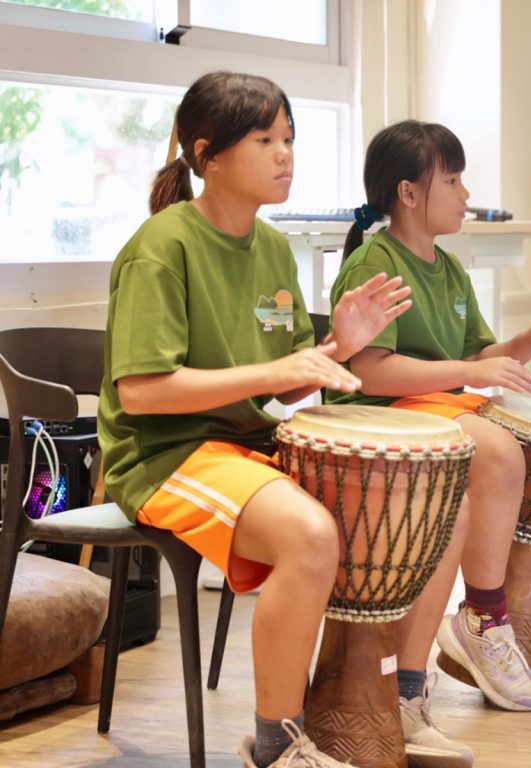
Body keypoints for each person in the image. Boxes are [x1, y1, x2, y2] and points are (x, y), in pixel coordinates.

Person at [97, 71, 411, 768]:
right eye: (264, 139)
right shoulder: (161, 248)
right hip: (165, 457)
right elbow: (142, 393)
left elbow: (286, 384)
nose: (285, 154)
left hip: (245, 445)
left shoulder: (270, 247)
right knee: (310, 535)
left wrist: (340, 348)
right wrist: (278, 373)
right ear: (206, 155)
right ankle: (277, 746)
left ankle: (387, 705)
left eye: (289, 138)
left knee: (381, 504)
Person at [327, 119, 531, 737]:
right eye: (452, 181)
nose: (465, 193)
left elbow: (478, 357)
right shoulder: (376, 262)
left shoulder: (449, 269)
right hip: (387, 416)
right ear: (408, 193)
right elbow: (369, 372)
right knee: (502, 452)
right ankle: (482, 618)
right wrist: (465, 373)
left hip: (436, 407)